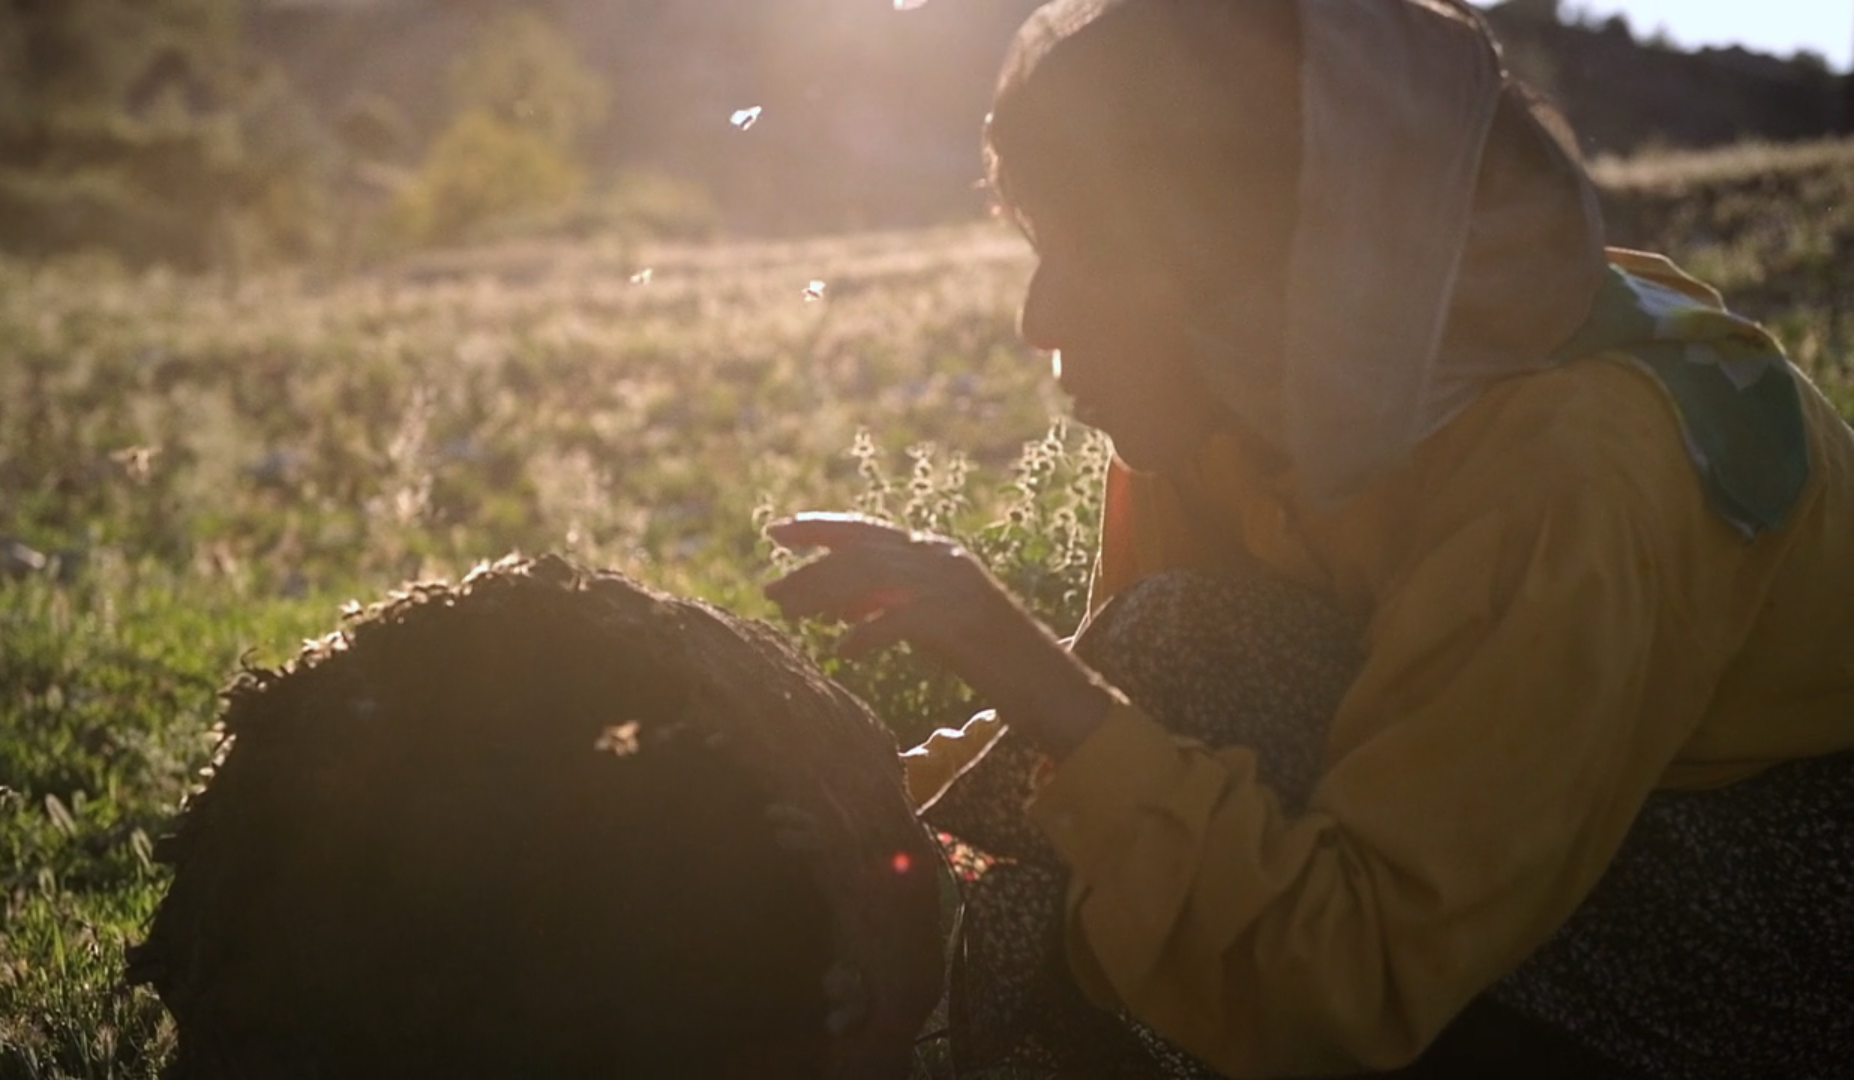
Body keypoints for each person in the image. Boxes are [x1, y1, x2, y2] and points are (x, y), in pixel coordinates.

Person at [764, 0, 1854, 1077]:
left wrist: (1017, 671)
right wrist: (868, 802)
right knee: (1148, 724)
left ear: (1250, 257)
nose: (1037, 320)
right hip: (1532, 842)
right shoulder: (1258, 391)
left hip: (1773, 930)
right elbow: (1112, 717)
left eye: (1092, 253)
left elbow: (1362, 977)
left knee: (1180, 676)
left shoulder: (1575, 467)